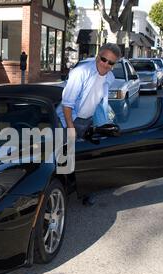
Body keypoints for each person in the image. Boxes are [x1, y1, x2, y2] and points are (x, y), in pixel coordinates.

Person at [56, 43, 122, 206]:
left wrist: (105, 120)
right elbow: (67, 103)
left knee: (87, 157)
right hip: (68, 119)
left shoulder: (110, 78)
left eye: (111, 62)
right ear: (97, 56)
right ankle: (61, 193)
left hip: (87, 120)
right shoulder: (81, 72)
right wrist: (70, 127)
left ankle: (86, 191)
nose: (105, 64)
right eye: (103, 59)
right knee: (65, 159)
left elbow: (99, 102)